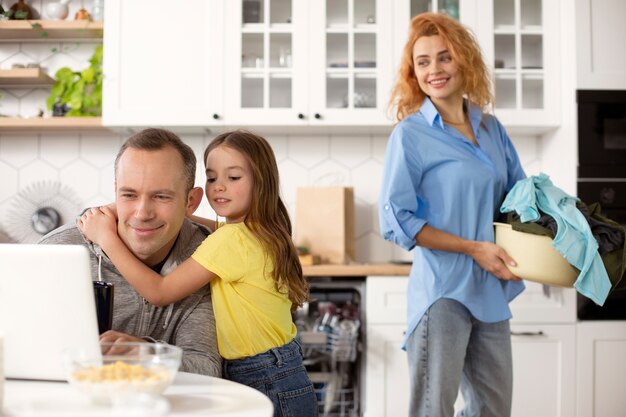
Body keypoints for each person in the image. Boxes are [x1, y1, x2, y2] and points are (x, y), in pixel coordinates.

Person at [78, 129, 318, 417]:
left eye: (233, 177)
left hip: (261, 376)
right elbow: (218, 231)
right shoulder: (259, 231)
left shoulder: (230, 241)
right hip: (283, 367)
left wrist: (107, 237)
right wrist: (167, 206)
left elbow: (160, 292)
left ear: (261, 182)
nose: (219, 187)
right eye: (212, 177)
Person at [378, 12, 527, 417]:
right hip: (442, 293)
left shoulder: (492, 128)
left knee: (492, 409)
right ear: (414, 73)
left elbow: (519, 201)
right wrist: (474, 248)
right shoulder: (410, 135)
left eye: (444, 57)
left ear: (464, 61)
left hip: (491, 292)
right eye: (422, 62)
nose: (434, 70)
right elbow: (396, 219)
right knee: (432, 409)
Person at [40, 128, 222, 377]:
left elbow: (206, 367)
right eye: (129, 195)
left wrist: (148, 353)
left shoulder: (207, 257)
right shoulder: (58, 251)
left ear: (191, 201)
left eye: (161, 196)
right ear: (116, 192)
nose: (142, 213)